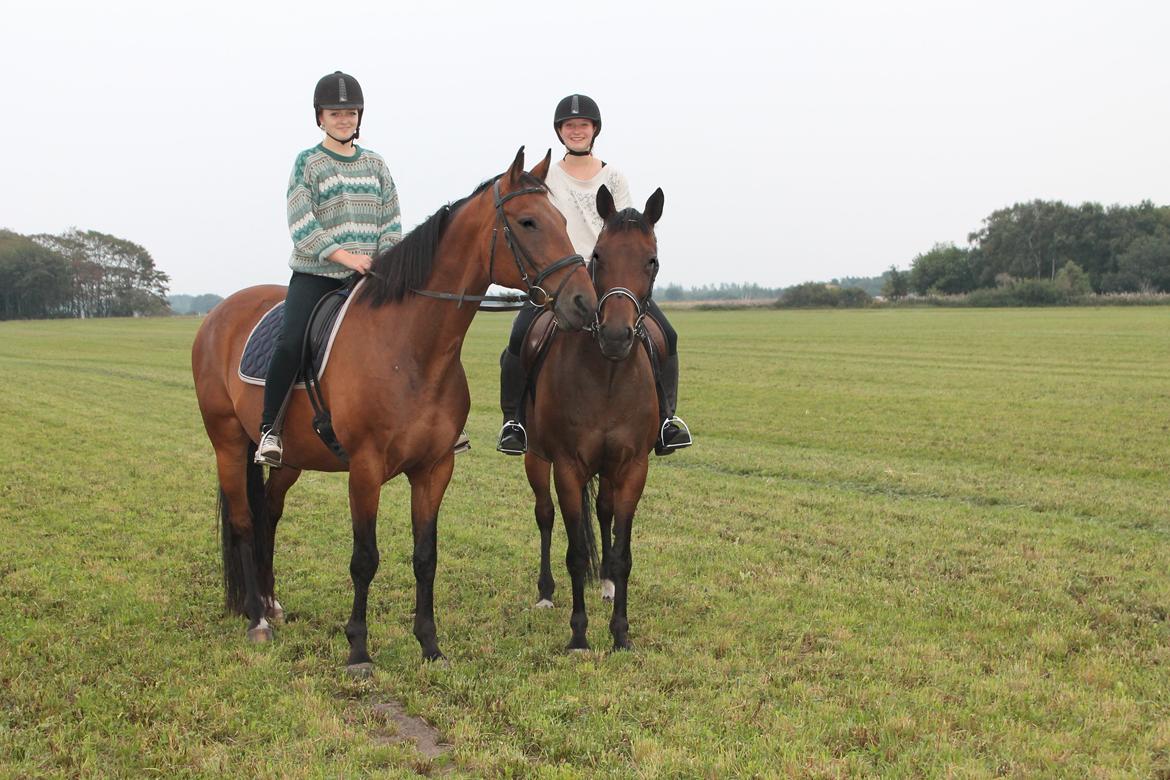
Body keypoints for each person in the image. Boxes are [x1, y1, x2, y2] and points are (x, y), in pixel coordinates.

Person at [496, 93, 692, 456]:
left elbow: (629, 229)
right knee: (520, 336)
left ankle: (667, 420)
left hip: (610, 275)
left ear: (594, 130)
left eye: (583, 125)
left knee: (667, 335)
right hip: (560, 278)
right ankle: (515, 422)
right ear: (559, 131)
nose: (576, 131)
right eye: (569, 125)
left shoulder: (614, 177)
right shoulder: (547, 176)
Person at [255, 71, 400, 467]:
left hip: (369, 278)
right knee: (291, 342)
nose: (343, 120)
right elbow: (302, 225)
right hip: (317, 276)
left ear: (359, 117)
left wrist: (382, 260)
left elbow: (391, 221)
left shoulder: (376, 164)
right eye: (335, 113)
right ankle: (270, 430)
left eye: (350, 113)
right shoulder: (308, 163)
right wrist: (346, 257)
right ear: (320, 117)